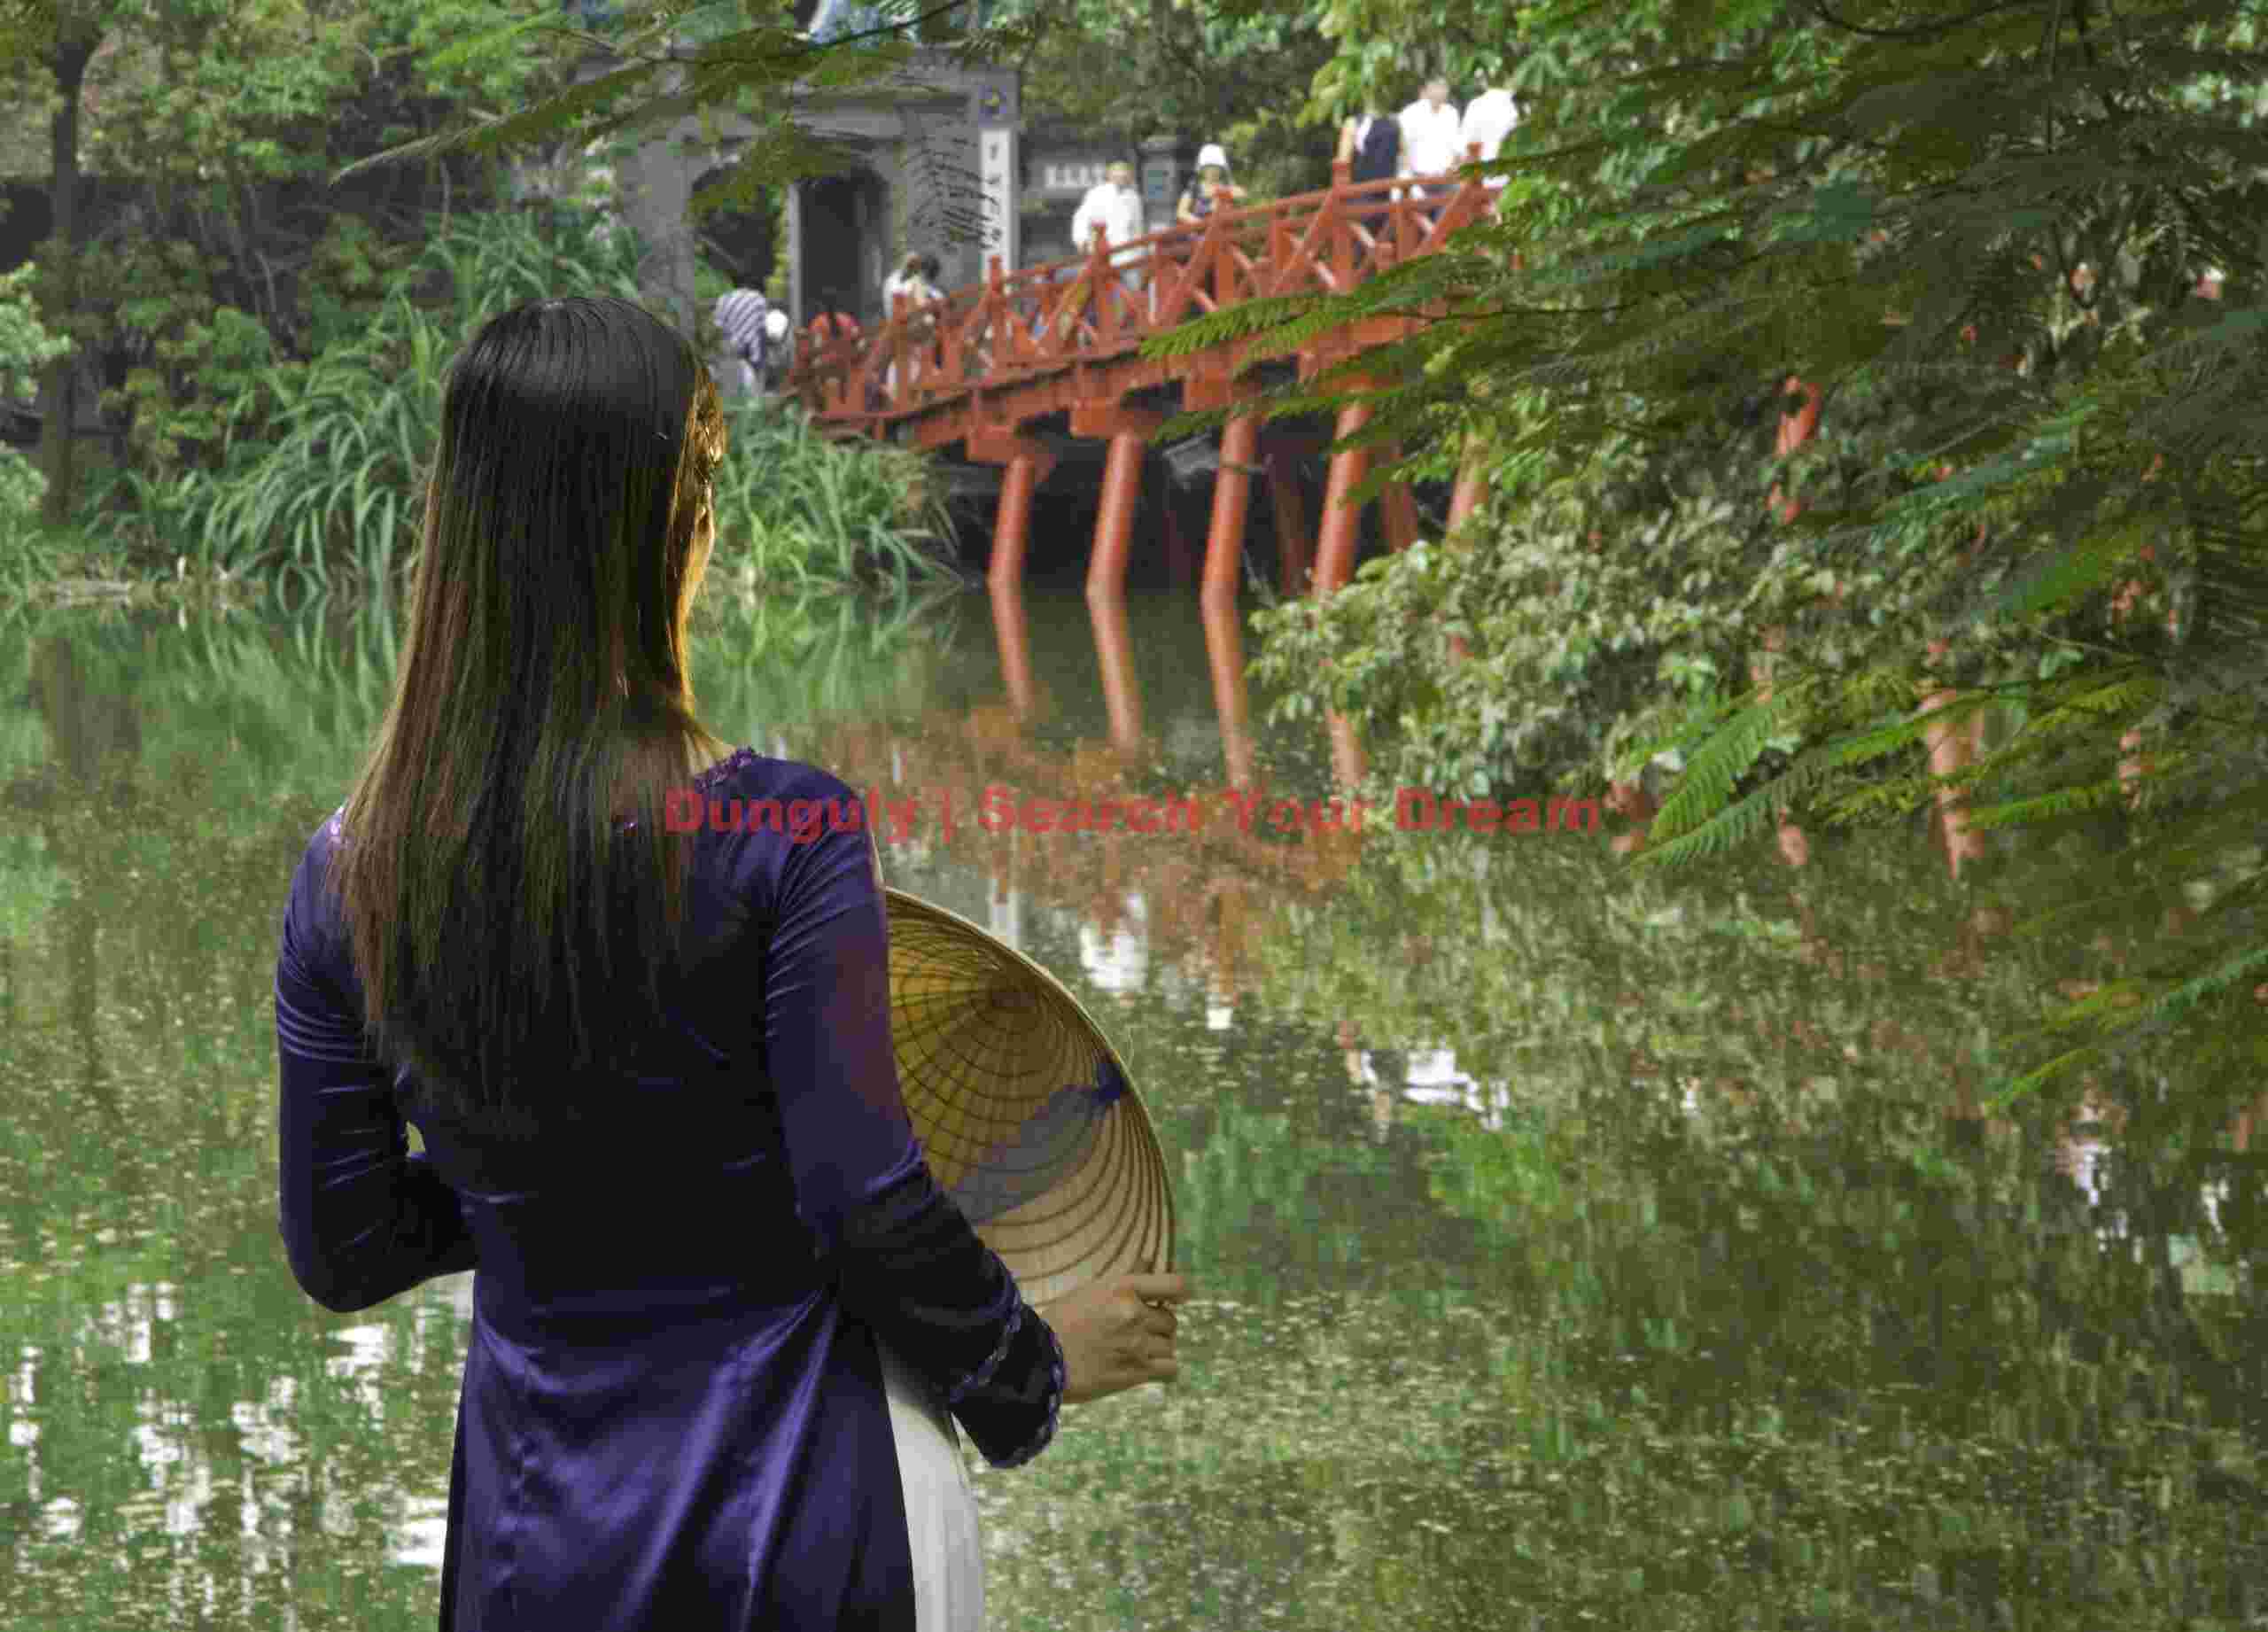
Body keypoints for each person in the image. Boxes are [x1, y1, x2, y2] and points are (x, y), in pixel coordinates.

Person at [273, 293, 1192, 1632]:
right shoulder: (783, 832)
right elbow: (862, 1199)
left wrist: (562, 1181)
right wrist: (1030, 1371)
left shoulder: (349, 873)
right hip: (803, 1523)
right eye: (701, 478)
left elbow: (345, 1245)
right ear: (670, 523)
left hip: (539, 1552)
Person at [1070, 159, 1150, 291]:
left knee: (1133, 291)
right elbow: (1081, 218)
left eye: (1125, 171)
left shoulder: (1134, 198)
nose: (1122, 175)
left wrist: (1142, 251)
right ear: (1109, 174)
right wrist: (1081, 239)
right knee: (1095, 290)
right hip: (1102, 253)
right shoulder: (1097, 194)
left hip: (1128, 254)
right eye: (1117, 171)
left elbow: (1137, 228)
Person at [1337, 104, 1402, 233]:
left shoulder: (1395, 122)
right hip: (1364, 193)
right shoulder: (1357, 123)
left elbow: (1342, 161)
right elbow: (1342, 162)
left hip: (1381, 194)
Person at [1398, 75, 1464, 196]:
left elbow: (1458, 146)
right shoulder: (1411, 113)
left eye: (1444, 87)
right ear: (1427, 89)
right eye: (1437, 87)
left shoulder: (1451, 113)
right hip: (1419, 178)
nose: (1441, 91)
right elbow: (1402, 146)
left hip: (1445, 178)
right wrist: (1409, 175)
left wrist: (1453, 167)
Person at [1458, 79, 1519, 194]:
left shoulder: (1476, 105)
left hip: (1482, 174)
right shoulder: (1515, 107)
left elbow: (1465, 145)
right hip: (1511, 174)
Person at [711, 286, 771, 398]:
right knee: (753, 389)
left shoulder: (723, 299)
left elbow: (718, 326)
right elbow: (760, 328)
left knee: (729, 389)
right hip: (748, 349)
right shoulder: (758, 300)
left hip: (728, 348)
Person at [1176, 142, 1248, 226]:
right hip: (1201, 234)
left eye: (1216, 168)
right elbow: (1181, 212)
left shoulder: (1226, 186)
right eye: (1209, 167)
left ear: (1222, 169)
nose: (1213, 171)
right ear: (1202, 169)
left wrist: (1224, 194)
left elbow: (1242, 194)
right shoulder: (1194, 188)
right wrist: (1199, 223)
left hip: (1225, 233)